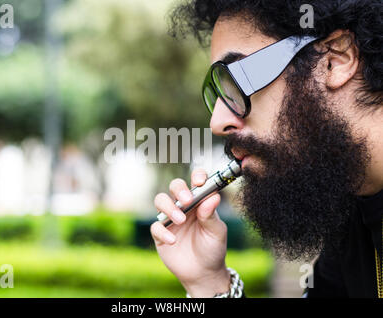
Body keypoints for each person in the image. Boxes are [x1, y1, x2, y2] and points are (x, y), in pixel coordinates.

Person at [150, 0, 382, 298]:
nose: (217, 122)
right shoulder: (351, 222)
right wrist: (209, 283)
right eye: (218, 94)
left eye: (237, 80)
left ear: (335, 60)